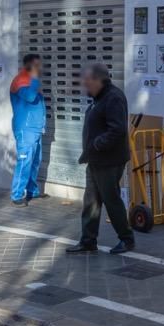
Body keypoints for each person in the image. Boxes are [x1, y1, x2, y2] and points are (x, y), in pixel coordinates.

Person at [66, 63, 136, 255]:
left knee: (111, 199)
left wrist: (98, 143)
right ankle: (88, 241)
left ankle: (126, 239)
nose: (85, 86)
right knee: (91, 201)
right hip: (95, 160)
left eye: (88, 82)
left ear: (99, 80)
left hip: (109, 161)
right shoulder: (99, 97)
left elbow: (118, 129)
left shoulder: (113, 98)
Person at [9, 53, 46, 204]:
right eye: (38, 65)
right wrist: (35, 79)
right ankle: (17, 195)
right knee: (24, 162)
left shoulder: (30, 81)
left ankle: (32, 190)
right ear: (30, 66)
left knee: (35, 161)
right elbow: (30, 97)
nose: (40, 67)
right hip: (25, 129)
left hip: (36, 129)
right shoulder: (21, 81)